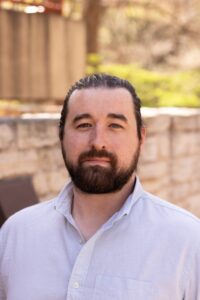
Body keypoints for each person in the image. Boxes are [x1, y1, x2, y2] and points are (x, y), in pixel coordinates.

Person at [0, 74, 200, 300]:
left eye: (115, 125)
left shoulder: (187, 241)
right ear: (61, 135)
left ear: (140, 138)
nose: (97, 141)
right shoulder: (15, 234)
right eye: (84, 125)